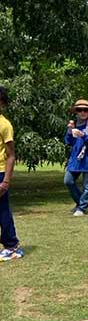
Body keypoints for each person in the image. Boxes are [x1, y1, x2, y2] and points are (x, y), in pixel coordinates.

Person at [64, 99, 88, 216]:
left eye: (85, 110)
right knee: (68, 181)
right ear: (76, 112)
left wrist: (84, 136)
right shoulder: (75, 124)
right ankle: (81, 202)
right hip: (76, 159)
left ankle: (82, 208)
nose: (82, 112)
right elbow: (68, 142)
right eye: (79, 110)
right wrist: (70, 131)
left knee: (87, 185)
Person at [0, 86, 23, 261]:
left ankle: (12, 245)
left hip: (0, 172)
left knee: (2, 210)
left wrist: (6, 181)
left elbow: (11, 155)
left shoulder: (5, 125)